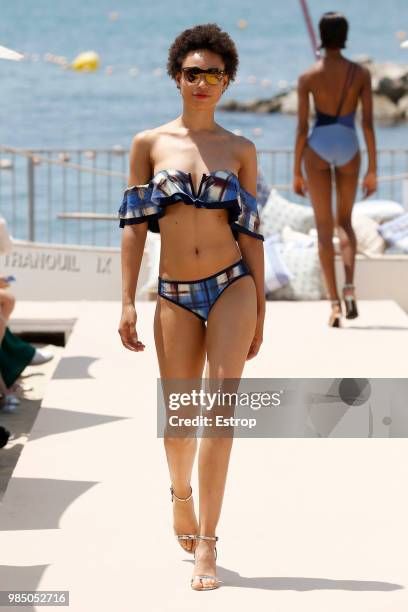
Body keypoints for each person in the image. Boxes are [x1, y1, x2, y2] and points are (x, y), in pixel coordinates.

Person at [117, 23, 265, 590]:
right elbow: (133, 230)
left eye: (214, 74)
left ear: (227, 82)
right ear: (176, 77)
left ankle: (208, 543)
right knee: (179, 422)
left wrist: (262, 307)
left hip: (233, 285)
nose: (202, 82)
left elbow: (251, 233)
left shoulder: (242, 149)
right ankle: (180, 494)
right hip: (174, 293)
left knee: (220, 415)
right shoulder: (148, 144)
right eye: (192, 73)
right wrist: (128, 301)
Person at [293, 11, 377, 327]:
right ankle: (350, 286)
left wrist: (295, 171)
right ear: (345, 35)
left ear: (321, 35)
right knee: (345, 223)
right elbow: (367, 123)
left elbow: (302, 128)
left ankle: (334, 305)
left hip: (316, 147)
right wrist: (373, 169)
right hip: (349, 146)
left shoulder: (308, 76)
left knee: (324, 229)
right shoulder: (361, 73)